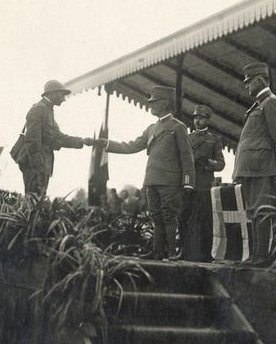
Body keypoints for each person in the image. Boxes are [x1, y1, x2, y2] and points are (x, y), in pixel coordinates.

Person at [84, 86, 195, 260]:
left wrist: (188, 181)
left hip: (170, 181)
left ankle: (172, 253)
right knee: (156, 216)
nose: (150, 104)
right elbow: (131, 146)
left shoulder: (178, 127)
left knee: (169, 216)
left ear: (165, 104)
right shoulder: (151, 128)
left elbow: (187, 157)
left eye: (154, 102)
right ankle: (157, 251)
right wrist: (105, 143)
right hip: (151, 180)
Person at [232, 62, 276, 266]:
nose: (246, 86)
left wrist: (273, 164)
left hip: (261, 166)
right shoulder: (259, 104)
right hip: (251, 167)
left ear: (261, 80)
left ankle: (261, 255)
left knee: (261, 209)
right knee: (253, 210)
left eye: (249, 82)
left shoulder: (270, 102)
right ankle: (256, 255)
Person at [17, 80, 85, 196]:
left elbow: (59, 136)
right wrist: (39, 168)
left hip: (43, 165)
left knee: (38, 201)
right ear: (53, 93)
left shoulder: (47, 111)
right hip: (36, 166)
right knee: (34, 201)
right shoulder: (38, 110)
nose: (64, 99)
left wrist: (80, 141)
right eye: (62, 95)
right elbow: (32, 141)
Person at [178, 105, 225, 262]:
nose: (198, 121)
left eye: (201, 118)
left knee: (205, 220)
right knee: (183, 216)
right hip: (188, 183)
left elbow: (221, 164)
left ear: (207, 120)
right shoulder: (188, 138)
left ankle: (206, 255)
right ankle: (184, 251)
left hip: (204, 185)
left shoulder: (214, 140)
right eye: (195, 118)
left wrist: (208, 163)